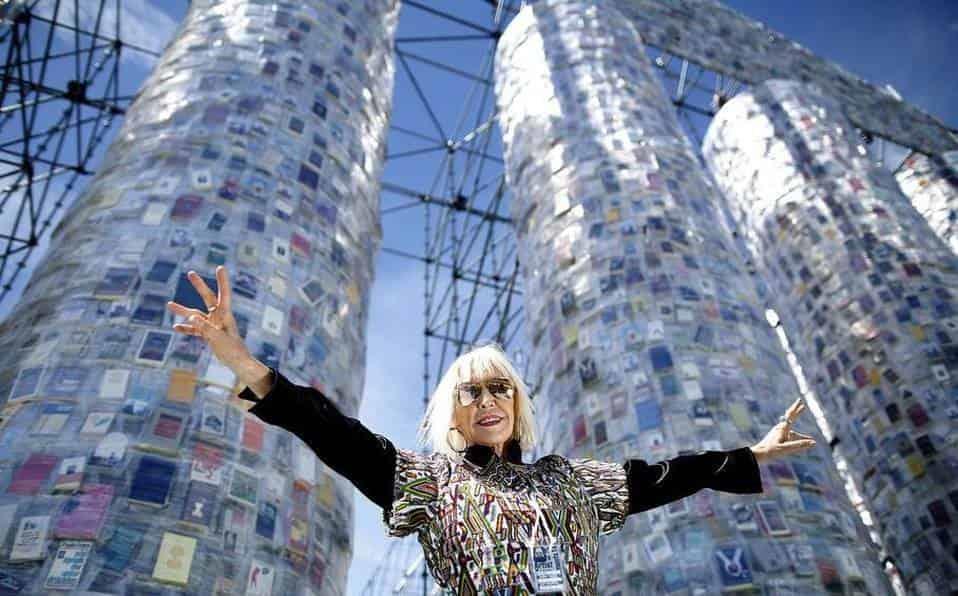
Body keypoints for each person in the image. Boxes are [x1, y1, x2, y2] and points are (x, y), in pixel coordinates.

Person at [168, 266, 818, 595]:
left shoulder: (573, 483)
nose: (485, 400)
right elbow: (332, 432)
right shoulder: (427, 482)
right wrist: (242, 361)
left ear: (517, 402)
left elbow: (665, 476)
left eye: (499, 387)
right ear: (452, 411)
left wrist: (750, 454)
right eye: (469, 391)